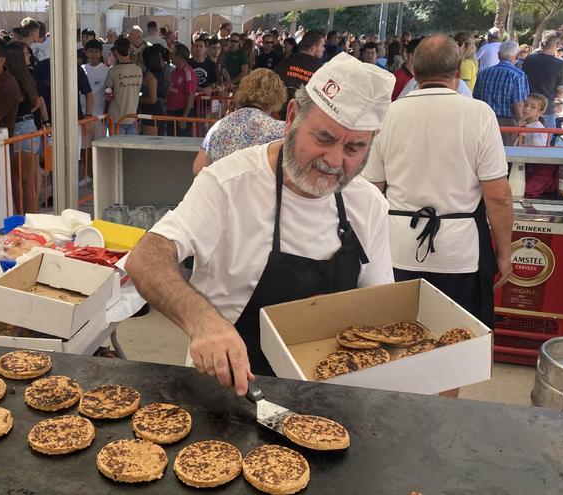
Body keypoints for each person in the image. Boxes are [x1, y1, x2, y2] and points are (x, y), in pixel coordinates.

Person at [125, 53, 394, 394]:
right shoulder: (228, 183)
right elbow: (146, 258)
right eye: (324, 139)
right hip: (228, 390)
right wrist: (203, 321)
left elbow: (377, 309)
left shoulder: (368, 205)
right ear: (292, 117)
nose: (334, 160)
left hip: (328, 394)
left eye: (354, 147)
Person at [363, 35, 513, 343]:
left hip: (397, 247)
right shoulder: (479, 114)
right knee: (452, 345)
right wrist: (505, 253)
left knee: (396, 340)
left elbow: (369, 190)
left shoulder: (389, 114)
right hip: (459, 253)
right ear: (458, 70)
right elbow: (497, 196)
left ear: (415, 70)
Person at [193, 68, 286, 175]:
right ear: (277, 98)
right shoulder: (280, 131)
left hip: (221, 189)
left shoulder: (217, 127)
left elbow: (198, 169)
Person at [5, 41, 43, 214]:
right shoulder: (26, 77)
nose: (29, 56)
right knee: (28, 181)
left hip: (20, 128)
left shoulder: (13, 80)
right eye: (26, 54)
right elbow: (36, 102)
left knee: (22, 181)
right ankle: (29, 219)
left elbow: (34, 102)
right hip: (29, 126)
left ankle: (25, 221)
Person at [472, 41, 528, 145]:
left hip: (485, 121)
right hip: (507, 123)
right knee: (506, 155)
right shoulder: (518, 75)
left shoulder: (484, 73)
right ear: (517, 56)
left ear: (498, 55)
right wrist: (521, 124)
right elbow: (518, 104)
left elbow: (476, 97)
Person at [273, 30, 324, 118]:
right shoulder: (320, 70)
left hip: (280, 116)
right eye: (322, 45)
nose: (324, 49)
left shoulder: (284, 63)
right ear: (313, 48)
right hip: (304, 120)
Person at [522, 31, 563, 129]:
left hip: (527, 107)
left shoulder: (529, 59)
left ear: (542, 43)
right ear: (557, 45)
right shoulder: (560, 64)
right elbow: (560, 91)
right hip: (547, 108)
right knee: (545, 142)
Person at [105, 37, 143, 135]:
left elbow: (108, 93)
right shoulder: (138, 70)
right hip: (132, 117)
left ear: (116, 52)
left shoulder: (113, 71)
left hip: (116, 118)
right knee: (130, 149)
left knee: (116, 150)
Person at [165, 43, 196, 137]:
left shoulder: (188, 73)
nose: (170, 55)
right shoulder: (174, 71)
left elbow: (191, 96)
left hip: (182, 112)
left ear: (179, 56)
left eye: (172, 53)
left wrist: (184, 118)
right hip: (172, 112)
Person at [138, 45, 166, 136]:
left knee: (150, 143)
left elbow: (152, 99)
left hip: (152, 113)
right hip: (159, 111)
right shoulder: (161, 72)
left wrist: (138, 99)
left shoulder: (150, 76)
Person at [82, 39, 108, 117]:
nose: (93, 54)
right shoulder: (81, 69)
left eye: (96, 51)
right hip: (82, 115)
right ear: (86, 52)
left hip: (99, 116)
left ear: (101, 53)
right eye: (91, 51)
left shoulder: (107, 71)